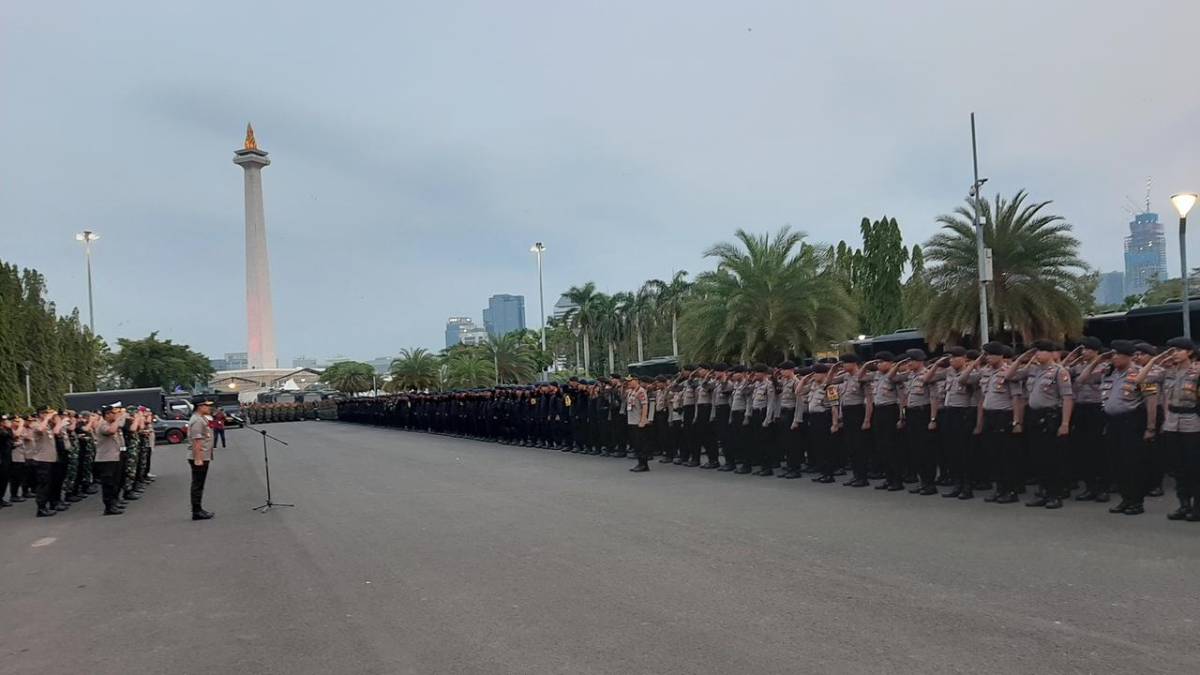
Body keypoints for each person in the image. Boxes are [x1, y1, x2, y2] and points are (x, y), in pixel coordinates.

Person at [93, 404, 127, 516]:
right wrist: (117, 419)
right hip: (105, 459)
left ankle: (114, 503)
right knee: (108, 484)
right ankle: (108, 507)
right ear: (107, 415)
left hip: (113, 457)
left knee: (115, 482)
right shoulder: (102, 424)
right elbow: (111, 431)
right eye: (113, 413)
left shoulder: (110, 423)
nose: (116, 415)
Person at [188, 400, 216, 520]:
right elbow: (197, 441)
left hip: (204, 455)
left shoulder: (202, 418)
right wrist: (198, 459)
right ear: (200, 407)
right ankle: (196, 511)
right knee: (197, 484)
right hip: (199, 456)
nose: (209, 408)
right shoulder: (197, 420)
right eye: (207, 406)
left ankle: (199, 509)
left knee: (199, 484)